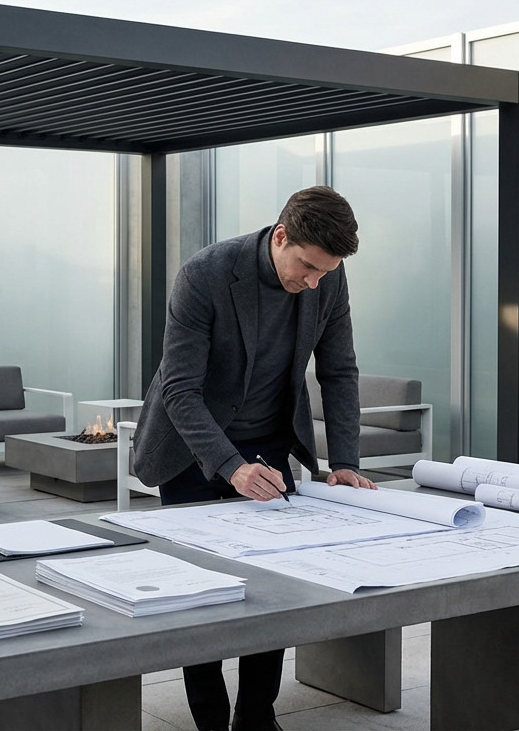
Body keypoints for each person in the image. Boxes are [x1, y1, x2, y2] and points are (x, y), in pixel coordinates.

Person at [132, 185, 375, 731]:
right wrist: (230, 467)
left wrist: (345, 461)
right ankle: (210, 719)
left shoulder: (327, 278)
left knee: (272, 587)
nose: (313, 282)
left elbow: (340, 372)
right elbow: (180, 391)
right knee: (203, 594)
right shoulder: (206, 274)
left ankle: (256, 717)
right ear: (282, 236)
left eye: (325, 273)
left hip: (268, 442)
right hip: (194, 447)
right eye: (308, 267)